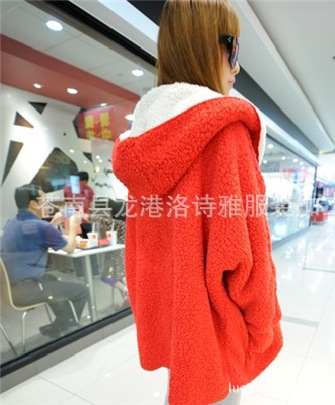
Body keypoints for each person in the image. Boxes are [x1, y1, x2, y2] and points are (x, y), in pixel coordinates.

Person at [112, 1, 283, 404]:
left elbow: (139, 251)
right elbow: (247, 258)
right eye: (234, 48)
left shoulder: (144, 137)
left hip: (170, 324)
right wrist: (263, 329)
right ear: (210, 47)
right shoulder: (225, 134)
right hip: (214, 333)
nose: (237, 66)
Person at [0, 184, 89, 338]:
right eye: (44, 200)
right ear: (33, 204)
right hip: (28, 289)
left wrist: (52, 225)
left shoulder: (11, 223)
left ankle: (60, 324)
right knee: (81, 291)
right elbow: (70, 248)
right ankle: (65, 328)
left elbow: (31, 235)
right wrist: (73, 226)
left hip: (8, 289)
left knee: (52, 279)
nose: (48, 203)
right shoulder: (42, 227)